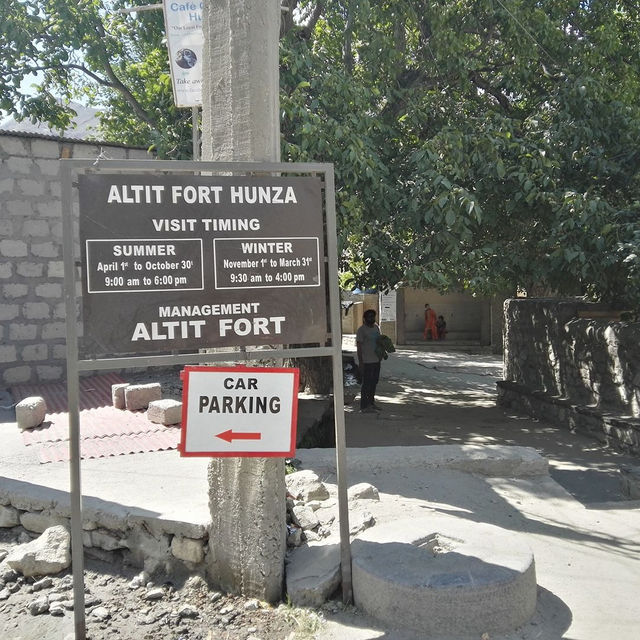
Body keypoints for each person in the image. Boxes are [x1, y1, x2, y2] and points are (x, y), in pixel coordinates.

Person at [356, 309, 383, 413]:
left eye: (373, 316)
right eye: (369, 317)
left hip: (376, 360)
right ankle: (364, 406)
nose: (371, 318)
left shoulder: (376, 328)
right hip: (367, 361)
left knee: (374, 382)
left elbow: (380, 341)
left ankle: (371, 403)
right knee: (366, 384)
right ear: (365, 318)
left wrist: (381, 354)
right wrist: (361, 363)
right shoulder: (361, 330)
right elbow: (359, 348)